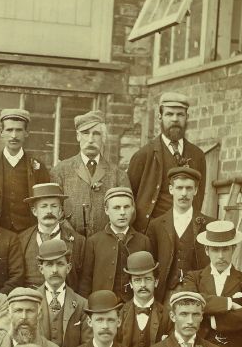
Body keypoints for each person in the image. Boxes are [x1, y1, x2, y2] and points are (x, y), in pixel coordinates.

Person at [181, 219, 242, 347]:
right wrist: (228, 303)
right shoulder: (194, 278)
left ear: (234, 249)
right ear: (207, 250)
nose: (220, 256)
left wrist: (213, 320)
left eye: (225, 249)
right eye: (215, 250)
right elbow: (191, 302)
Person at [128, 91, 207, 232]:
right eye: (169, 114)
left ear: (187, 117)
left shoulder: (197, 155)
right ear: (160, 117)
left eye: (180, 114)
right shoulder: (143, 156)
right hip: (151, 233)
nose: (175, 119)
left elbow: (198, 197)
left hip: (186, 232)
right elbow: (129, 199)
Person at [50, 110, 129, 238]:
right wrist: (74, 237)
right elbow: (54, 210)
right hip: (70, 241)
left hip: (106, 242)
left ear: (103, 138)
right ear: (78, 136)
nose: (91, 139)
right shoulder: (60, 171)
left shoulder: (118, 175)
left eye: (96, 134)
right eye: (85, 133)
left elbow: (128, 213)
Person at [146, 165, 212, 304]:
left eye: (189, 188)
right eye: (179, 188)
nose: (184, 193)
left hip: (199, 295)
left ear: (196, 190)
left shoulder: (208, 225)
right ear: (171, 189)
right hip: (165, 296)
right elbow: (152, 265)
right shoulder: (156, 225)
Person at [78, 186, 150, 302]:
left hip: (133, 305)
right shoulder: (94, 242)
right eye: (116, 208)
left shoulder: (143, 241)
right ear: (106, 210)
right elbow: (86, 281)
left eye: (126, 207)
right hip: (103, 305)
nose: (122, 213)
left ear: (133, 209)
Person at [16, 182, 86, 289]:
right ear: (34, 211)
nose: (49, 211)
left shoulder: (78, 241)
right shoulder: (22, 240)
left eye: (54, 206)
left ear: (60, 211)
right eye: (44, 206)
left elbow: (83, 281)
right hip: (32, 298)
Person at [33, 237, 89, 347]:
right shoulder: (31, 301)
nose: (55, 270)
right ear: (41, 269)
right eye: (49, 264)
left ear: (68, 268)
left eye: (60, 264)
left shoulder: (82, 304)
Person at [116, 251, 172, 347]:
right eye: (137, 280)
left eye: (148, 279)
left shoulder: (167, 316)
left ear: (156, 282)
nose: (143, 285)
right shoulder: (120, 314)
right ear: (130, 284)